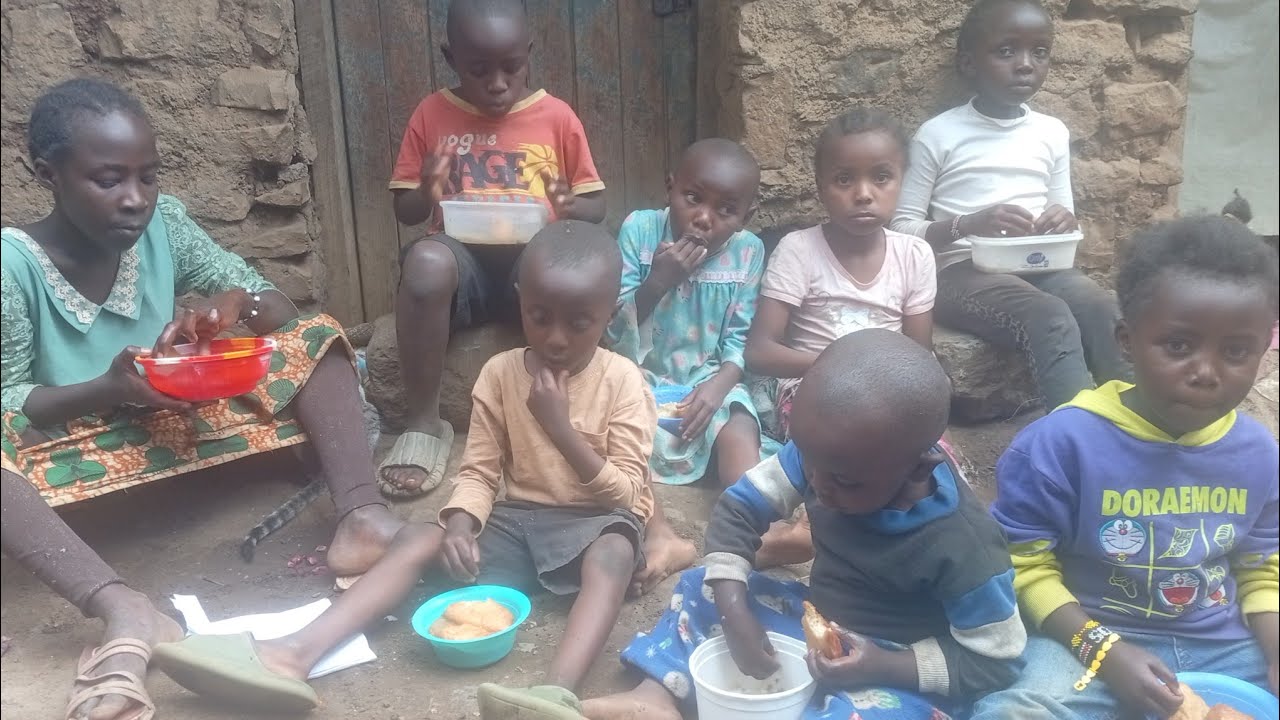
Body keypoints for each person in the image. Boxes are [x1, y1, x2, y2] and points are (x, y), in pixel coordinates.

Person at [0, 78, 402, 720]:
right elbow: (10, 398)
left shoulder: (166, 224)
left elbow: (276, 306)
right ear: (47, 174)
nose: (134, 199)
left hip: (176, 419)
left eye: (147, 177)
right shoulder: (12, 265)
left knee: (317, 336)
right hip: (76, 442)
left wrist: (232, 305)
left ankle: (360, 514)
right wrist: (107, 388)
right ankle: (120, 603)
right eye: (108, 180)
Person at [151, 222, 657, 718]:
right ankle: (291, 654)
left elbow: (625, 495)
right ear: (520, 299)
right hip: (519, 523)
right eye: (540, 315)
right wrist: (461, 523)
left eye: (579, 322)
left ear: (609, 315)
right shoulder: (500, 374)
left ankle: (555, 696)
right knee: (418, 537)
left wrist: (560, 427)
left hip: (591, 525)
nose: (557, 338)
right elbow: (479, 473)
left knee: (615, 550)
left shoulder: (623, 381)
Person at [582, 330, 1025, 720]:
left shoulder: (963, 545)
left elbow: (996, 661)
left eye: (843, 481)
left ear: (917, 470)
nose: (816, 486)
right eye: (806, 461)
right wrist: (734, 612)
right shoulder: (828, 457)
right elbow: (740, 511)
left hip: (896, 667)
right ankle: (654, 697)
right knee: (706, 585)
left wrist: (882, 666)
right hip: (820, 623)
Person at [970, 216, 1279, 719]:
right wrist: (1105, 653)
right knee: (1015, 712)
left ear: (1264, 351)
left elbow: (1261, 566)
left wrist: (1274, 651)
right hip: (1089, 638)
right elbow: (1024, 569)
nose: (1205, 372)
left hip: (1224, 645)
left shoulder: (1258, 452)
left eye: (1236, 351)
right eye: (1178, 346)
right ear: (1126, 341)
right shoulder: (1062, 443)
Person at [382, 0, 606, 498]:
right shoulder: (432, 114)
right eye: (479, 70)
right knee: (424, 261)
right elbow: (407, 212)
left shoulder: (555, 117)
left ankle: (568, 415)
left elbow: (597, 206)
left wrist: (569, 204)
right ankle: (423, 425)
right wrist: (428, 188)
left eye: (512, 66)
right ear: (450, 57)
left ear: (529, 53)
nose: (498, 82)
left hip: (532, 269)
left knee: (570, 260)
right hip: (463, 267)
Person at [892, 0, 1130, 413]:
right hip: (959, 271)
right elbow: (900, 229)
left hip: (1040, 264)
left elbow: (1063, 213)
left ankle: (1137, 418)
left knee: (1098, 305)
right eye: (1006, 51)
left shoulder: (1051, 132)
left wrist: (1062, 219)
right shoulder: (939, 134)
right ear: (968, 63)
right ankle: (1075, 440)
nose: (1025, 65)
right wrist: (968, 225)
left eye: (1039, 52)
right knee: (1050, 316)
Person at [744, 107, 937, 566]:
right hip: (812, 388)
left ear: (902, 182)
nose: (864, 194)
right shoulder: (799, 250)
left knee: (932, 461)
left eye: (882, 178)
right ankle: (811, 530)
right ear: (821, 186)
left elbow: (919, 356)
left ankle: (916, 535)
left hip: (893, 391)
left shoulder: (915, 255)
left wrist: (881, 382)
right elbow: (760, 351)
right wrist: (836, 366)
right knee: (836, 445)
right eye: (844, 179)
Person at [602, 139, 763, 594]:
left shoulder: (748, 252)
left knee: (738, 426)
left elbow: (739, 340)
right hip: (637, 372)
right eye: (693, 198)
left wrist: (718, 387)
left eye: (726, 210)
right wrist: (658, 282)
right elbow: (612, 329)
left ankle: (753, 529)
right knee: (616, 436)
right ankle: (661, 533)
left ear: (746, 217)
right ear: (669, 188)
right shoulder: (639, 230)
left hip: (707, 376)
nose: (704, 217)